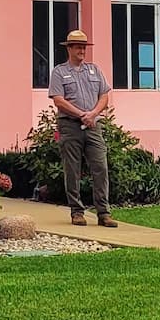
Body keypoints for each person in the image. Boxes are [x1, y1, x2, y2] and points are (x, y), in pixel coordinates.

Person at [48, 29, 116, 228]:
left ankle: (104, 213)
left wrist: (93, 114)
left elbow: (104, 96)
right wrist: (82, 115)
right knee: (72, 170)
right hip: (70, 126)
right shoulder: (59, 72)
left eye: (84, 47)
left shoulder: (94, 70)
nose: (82, 50)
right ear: (69, 48)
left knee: (101, 168)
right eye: (78, 47)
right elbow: (59, 101)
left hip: (93, 125)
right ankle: (76, 212)